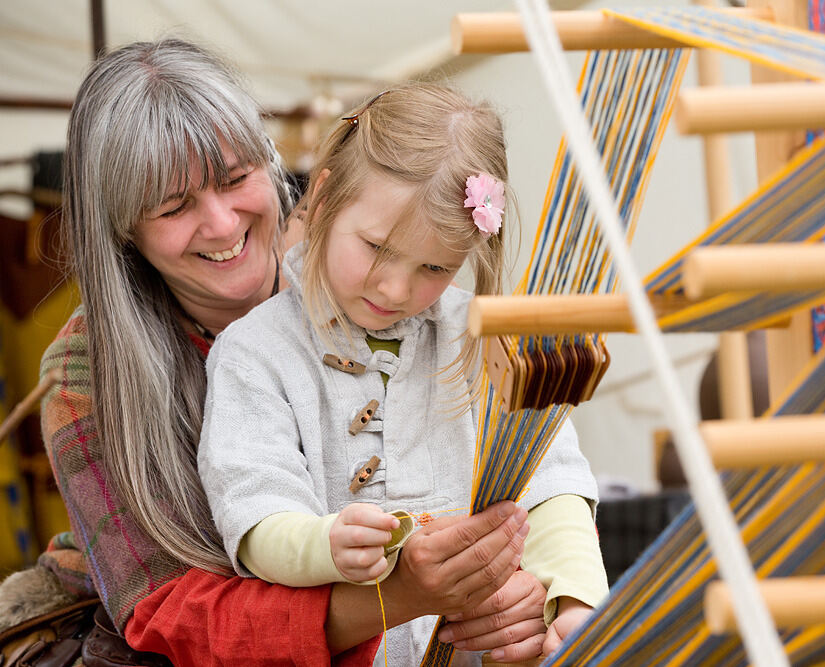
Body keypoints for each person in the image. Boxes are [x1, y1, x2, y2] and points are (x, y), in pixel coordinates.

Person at [33, 38, 560, 666]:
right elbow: (171, 616)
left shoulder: (383, 291)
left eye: (236, 180)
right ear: (123, 229)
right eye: (174, 207)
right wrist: (400, 596)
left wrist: (530, 594)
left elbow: (530, 480)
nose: (224, 225)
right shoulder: (86, 370)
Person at [197, 83, 609, 665]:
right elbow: (254, 507)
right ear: (323, 196)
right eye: (377, 248)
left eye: (434, 266)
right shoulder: (255, 353)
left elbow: (551, 482)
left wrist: (574, 599)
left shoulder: (485, 336)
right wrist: (325, 545)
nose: (396, 288)